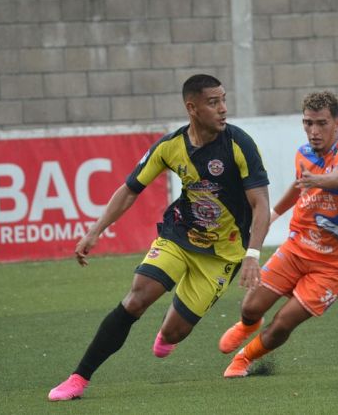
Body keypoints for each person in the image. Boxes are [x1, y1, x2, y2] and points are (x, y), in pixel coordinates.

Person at [48, 74, 270, 401]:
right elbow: (130, 190)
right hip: (179, 236)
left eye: (224, 100)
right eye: (214, 102)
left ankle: (167, 333)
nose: (223, 109)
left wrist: (252, 254)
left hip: (224, 255)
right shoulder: (170, 147)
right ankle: (78, 378)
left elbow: (260, 203)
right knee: (136, 298)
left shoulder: (239, 144)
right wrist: (95, 231)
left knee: (174, 332)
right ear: (192, 108)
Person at [218, 91, 338, 378]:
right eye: (308, 123)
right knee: (250, 306)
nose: (314, 131)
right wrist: (273, 215)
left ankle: (244, 359)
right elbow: (298, 186)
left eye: (322, 123)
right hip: (298, 247)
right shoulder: (304, 153)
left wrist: (318, 180)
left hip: (337, 264)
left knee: (284, 322)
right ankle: (249, 324)